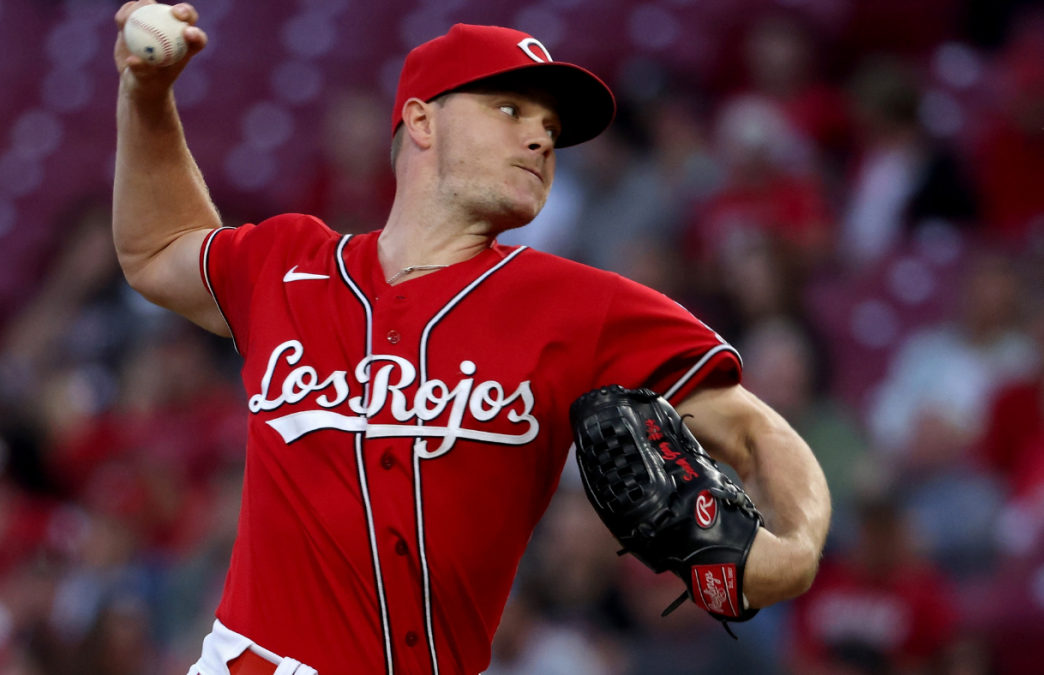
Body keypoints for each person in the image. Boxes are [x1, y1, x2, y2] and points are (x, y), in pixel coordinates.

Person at [110, 3, 832, 674]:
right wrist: (146, 99)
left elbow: (752, 429)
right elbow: (157, 247)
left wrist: (791, 554)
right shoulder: (289, 265)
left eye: (551, 126)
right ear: (422, 121)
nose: (541, 136)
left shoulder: (582, 306)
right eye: (511, 109)